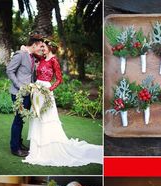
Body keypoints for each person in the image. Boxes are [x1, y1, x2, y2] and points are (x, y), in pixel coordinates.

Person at [23, 39, 102, 167]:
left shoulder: (54, 60)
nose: (42, 48)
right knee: (37, 117)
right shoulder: (41, 58)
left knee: (46, 118)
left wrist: (49, 90)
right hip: (37, 90)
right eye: (41, 47)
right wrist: (23, 47)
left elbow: (59, 79)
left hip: (46, 91)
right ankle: (36, 148)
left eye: (44, 47)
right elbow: (29, 51)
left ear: (50, 48)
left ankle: (48, 149)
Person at [6, 34, 44, 157]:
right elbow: (9, 70)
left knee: (21, 120)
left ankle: (19, 143)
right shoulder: (20, 54)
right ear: (34, 44)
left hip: (28, 93)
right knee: (18, 120)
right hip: (18, 93)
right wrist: (19, 85)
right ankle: (14, 148)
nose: (41, 48)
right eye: (40, 46)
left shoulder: (31, 56)